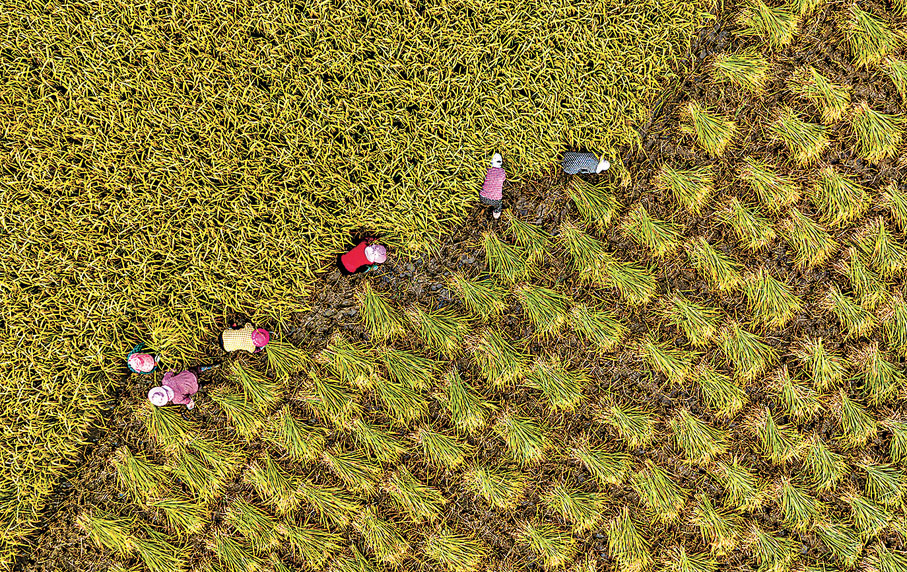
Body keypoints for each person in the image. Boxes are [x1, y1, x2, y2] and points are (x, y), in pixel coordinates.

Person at [147, 364, 217, 409]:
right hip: (190, 375)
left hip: (194, 387)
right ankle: (206, 367)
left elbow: (187, 400)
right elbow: (170, 372)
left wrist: (190, 404)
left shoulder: (176, 400)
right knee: (195, 370)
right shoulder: (165, 381)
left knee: (200, 387)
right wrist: (173, 370)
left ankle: (210, 382)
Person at [480, 153, 506, 219]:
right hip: (495, 200)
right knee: (498, 205)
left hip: (483, 197)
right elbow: (503, 179)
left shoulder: (488, 170)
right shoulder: (502, 172)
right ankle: (496, 215)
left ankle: (484, 205)